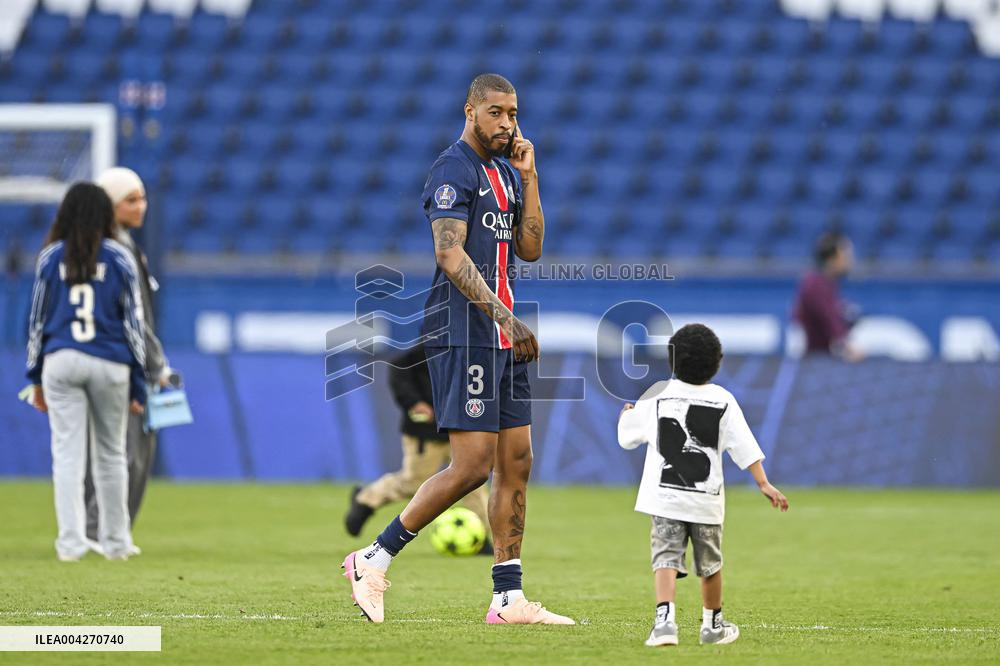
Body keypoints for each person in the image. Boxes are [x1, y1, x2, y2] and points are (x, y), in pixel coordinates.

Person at [341, 73, 574, 625]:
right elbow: (449, 256)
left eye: (513, 113)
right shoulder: (454, 169)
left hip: (503, 337)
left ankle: (507, 598)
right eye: (496, 112)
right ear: (470, 110)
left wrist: (531, 175)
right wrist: (505, 319)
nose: (507, 123)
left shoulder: (506, 173)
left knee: (516, 462)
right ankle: (372, 559)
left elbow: (532, 248)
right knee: (471, 467)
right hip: (464, 333)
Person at [617, 323, 789, 647]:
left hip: (665, 498)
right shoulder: (724, 400)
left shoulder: (657, 395)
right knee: (710, 564)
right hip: (706, 502)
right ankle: (712, 625)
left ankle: (664, 623)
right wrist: (763, 483)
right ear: (717, 362)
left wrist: (627, 414)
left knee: (665, 558)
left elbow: (627, 437)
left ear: (672, 360)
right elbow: (745, 446)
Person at [26, 182, 148, 562]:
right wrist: (139, 383)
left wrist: (34, 377)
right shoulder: (119, 256)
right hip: (109, 361)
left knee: (67, 455)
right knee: (111, 454)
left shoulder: (50, 258)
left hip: (61, 361)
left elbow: (35, 322)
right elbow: (134, 325)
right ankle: (116, 543)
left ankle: (71, 544)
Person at [81, 167, 172, 555]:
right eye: (130, 200)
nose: (141, 206)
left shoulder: (125, 247)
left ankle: (112, 531)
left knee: (131, 453)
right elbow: (130, 319)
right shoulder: (111, 251)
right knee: (121, 453)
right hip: (120, 362)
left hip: (130, 360)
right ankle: (98, 531)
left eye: (142, 197)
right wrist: (154, 365)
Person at [344, 343, 493, 555]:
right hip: (425, 433)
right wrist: (414, 402)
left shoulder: (471, 351)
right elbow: (397, 368)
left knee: (473, 479)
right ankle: (366, 498)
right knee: (414, 482)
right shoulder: (428, 348)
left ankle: (479, 537)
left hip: (459, 429)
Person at [792, 232, 863, 361]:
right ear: (832, 259)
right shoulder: (815, 284)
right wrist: (850, 348)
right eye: (846, 256)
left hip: (818, 358)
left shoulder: (825, 283)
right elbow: (830, 319)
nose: (850, 261)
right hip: (811, 360)